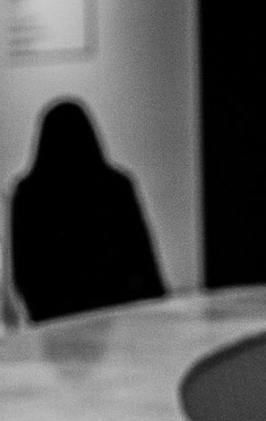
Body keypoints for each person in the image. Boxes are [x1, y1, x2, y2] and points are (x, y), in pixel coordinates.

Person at [9, 98, 165, 323]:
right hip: (109, 302)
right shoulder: (116, 186)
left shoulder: (28, 192)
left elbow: (23, 265)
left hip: (52, 310)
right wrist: (156, 299)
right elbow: (140, 249)